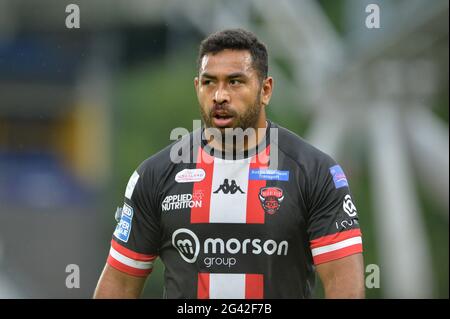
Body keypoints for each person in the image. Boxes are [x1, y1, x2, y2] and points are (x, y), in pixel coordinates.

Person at [94, 28, 365, 299]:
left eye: (235, 82)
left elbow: (344, 284)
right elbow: (119, 284)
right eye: (209, 82)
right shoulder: (155, 175)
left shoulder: (315, 172)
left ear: (266, 90)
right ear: (197, 87)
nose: (220, 95)